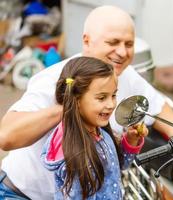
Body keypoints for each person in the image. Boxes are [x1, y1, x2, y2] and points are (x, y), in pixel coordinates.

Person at [0, 5, 173, 199]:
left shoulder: (124, 74)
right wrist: (72, 106)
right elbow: (6, 137)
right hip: (20, 193)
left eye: (129, 44)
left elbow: (159, 105)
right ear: (87, 41)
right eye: (113, 42)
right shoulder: (54, 79)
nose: (122, 52)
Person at [41, 56, 148, 199]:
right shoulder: (75, 154)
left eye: (113, 95)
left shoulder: (99, 130)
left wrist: (131, 140)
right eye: (102, 98)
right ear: (77, 99)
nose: (111, 104)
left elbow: (118, 166)